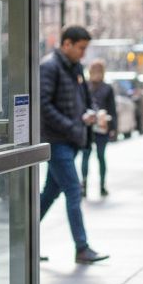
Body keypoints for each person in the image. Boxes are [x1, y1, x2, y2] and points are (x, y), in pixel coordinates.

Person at [38, 25, 108, 264]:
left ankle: (22, 240)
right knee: (73, 189)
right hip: (57, 141)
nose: (83, 53)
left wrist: (93, 114)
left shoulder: (75, 67)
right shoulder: (50, 67)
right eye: (80, 48)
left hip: (71, 140)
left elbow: (86, 99)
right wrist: (71, 125)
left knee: (50, 193)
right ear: (66, 44)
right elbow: (43, 106)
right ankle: (82, 247)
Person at [81, 59, 117, 197]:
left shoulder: (107, 88)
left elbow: (112, 109)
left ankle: (102, 186)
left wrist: (113, 128)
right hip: (88, 128)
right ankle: (84, 185)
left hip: (102, 127)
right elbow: (80, 107)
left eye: (99, 71)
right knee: (86, 155)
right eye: (94, 71)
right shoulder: (85, 86)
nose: (96, 74)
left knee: (101, 156)